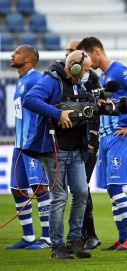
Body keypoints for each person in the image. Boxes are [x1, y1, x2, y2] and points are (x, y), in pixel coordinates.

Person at [22, 50, 93, 259]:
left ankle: (73, 241)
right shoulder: (51, 81)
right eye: (86, 70)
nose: (87, 74)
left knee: (81, 192)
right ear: (74, 66)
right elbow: (30, 99)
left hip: (75, 149)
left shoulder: (78, 84)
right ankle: (56, 246)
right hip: (53, 148)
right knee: (60, 196)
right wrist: (56, 113)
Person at [76, 37, 127, 251]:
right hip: (106, 138)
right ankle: (123, 238)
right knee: (109, 189)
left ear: (95, 51)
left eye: (86, 56)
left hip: (119, 136)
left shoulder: (119, 69)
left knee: (115, 187)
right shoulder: (104, 76)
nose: (87, 63)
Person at [5, 45, 51, 250]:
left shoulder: (35, 79)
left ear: (28, 59)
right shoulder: (21, 81)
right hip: (19, 144)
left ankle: (48, 238)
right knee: (17, 189)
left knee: (39, 187)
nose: (12, 55)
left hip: (33, 144)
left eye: (17, 53)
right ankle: (29, 238)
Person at [65, 40, 101, 250]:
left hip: (87, 140)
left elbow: (96, 108)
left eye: (74, 50)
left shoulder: (91, 77)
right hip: (70, 140)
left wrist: (93, 136)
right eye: (68, 50)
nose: (69, 53)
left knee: (81, 186)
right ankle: (84, 235)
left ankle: (90, 234)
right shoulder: (63, 76)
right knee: (76, 189)